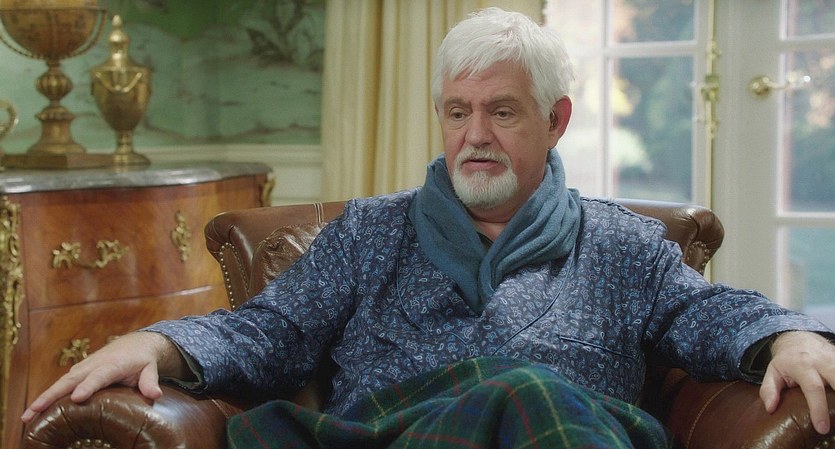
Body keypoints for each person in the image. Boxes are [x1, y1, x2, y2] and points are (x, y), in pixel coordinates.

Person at [22, 7, 835, 448]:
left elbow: (711, 312)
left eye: (501, 111)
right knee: (523, 387)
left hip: (568, 433)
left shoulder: (621, 246)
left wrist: (789, 337)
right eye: (456, 111)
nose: (473, 135)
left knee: (535, 395)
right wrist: (159, 343)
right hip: (394, 433)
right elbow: (267, 330)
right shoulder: (367, 234)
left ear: (555, 119)